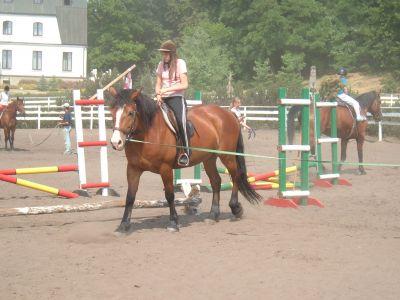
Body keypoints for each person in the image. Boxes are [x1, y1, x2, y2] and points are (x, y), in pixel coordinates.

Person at [155, 40, 190, 166]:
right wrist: (158, 94)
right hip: (163, 98)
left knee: (181, 122)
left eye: (165, 54)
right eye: (163, 54)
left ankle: (185, 152)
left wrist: (166, 90)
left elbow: (185, 84)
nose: (163, 56)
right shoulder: (160, 65)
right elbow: (158, 83)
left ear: (172, 54)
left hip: (176, 98)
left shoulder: (180, 63)